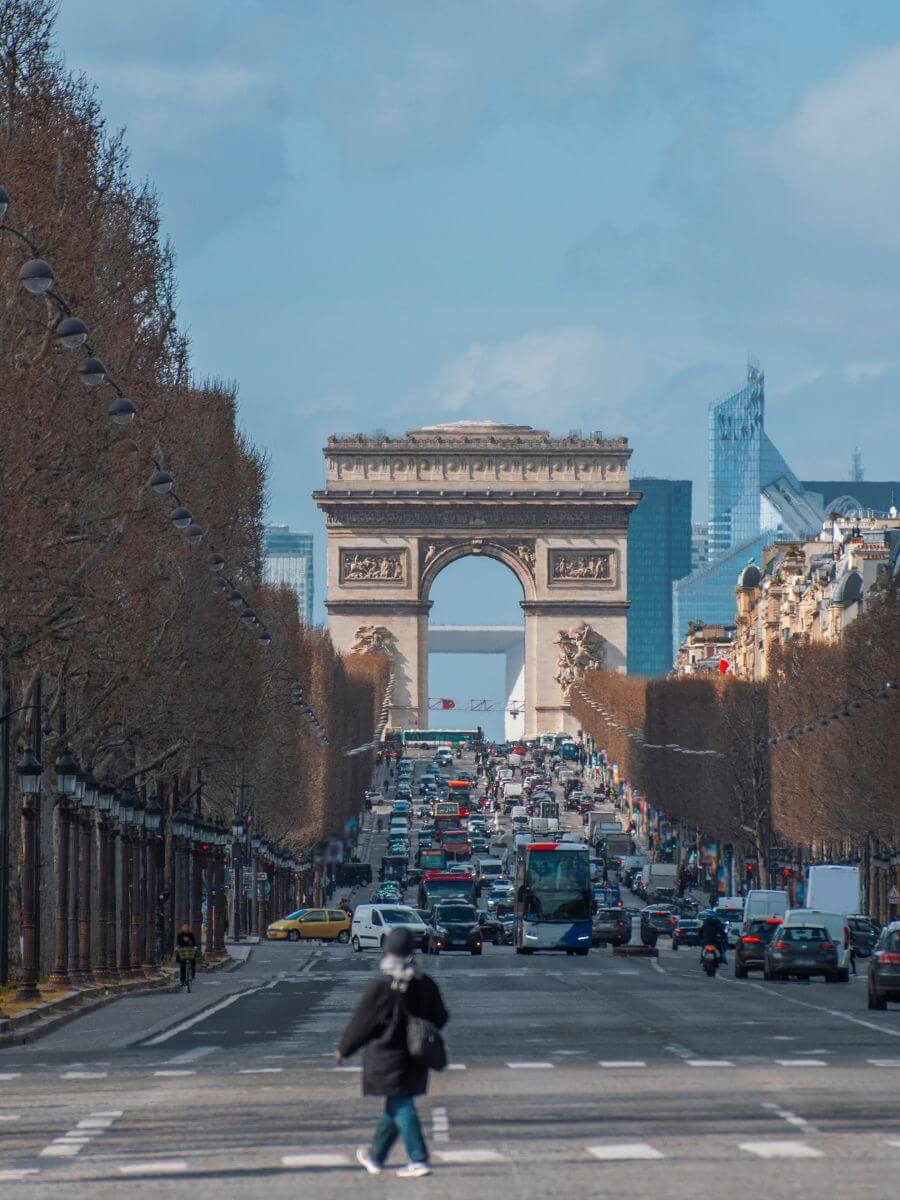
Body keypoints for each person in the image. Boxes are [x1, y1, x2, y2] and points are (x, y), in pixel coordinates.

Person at [337, 926, 449, 1179]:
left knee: (401, 1104)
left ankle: (418, 1158)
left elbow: (362, 1023)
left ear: (387, 952)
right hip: (417, 1055)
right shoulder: (425, 984)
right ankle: (376, 1156)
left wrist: (344, 1049)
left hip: (386, 1055)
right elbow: (441, 1017)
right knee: (396, 1104)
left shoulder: (382, 986)